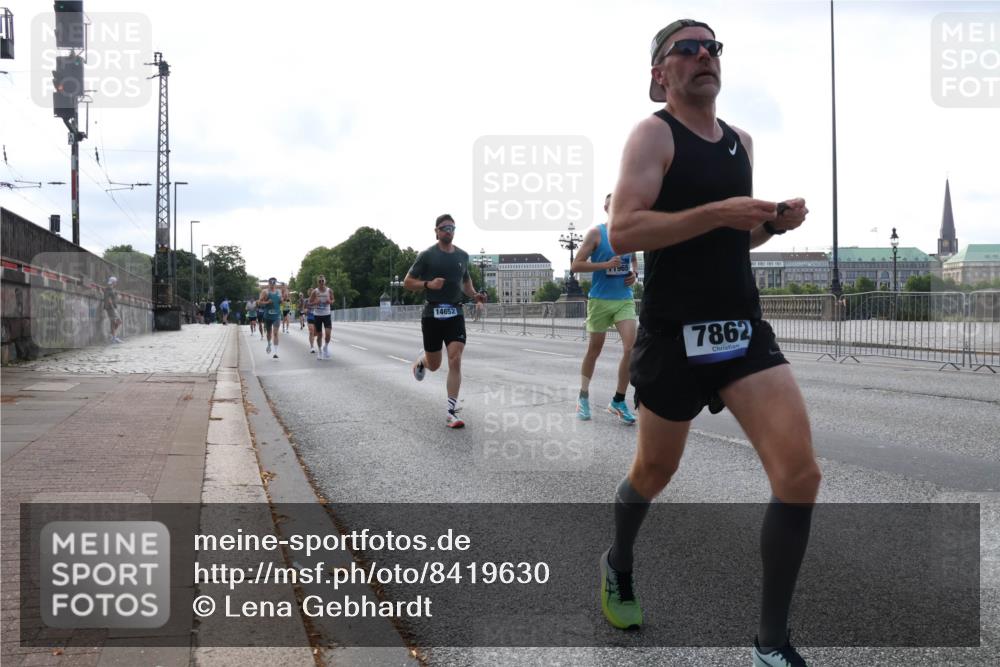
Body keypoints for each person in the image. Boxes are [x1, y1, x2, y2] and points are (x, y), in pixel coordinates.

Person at [598, 19, 820, 667]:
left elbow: (731, 239)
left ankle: (770, 645)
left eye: (712, 47)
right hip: (673, 336)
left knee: (799, 473)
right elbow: (626, 229)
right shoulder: (652, 135)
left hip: (741, 330)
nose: (703, 57)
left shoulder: (742, 143)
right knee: (654, 471)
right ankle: (618, 561)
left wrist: (770, 227)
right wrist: (717, 213)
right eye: (686, 49)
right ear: (659, 73)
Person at [403, 214, 485, 429]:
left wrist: (475, 295)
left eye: (452, 227)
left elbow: (466, 283)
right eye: (444, 227)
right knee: (435, 364)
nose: (449, 230)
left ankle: (451, 411)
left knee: (455, 358)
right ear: (436, 231)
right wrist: (429, 284)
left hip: (455, 314)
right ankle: (422, 361)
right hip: (432, 314)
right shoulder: (427, 255)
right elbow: (408, 282)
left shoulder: (463, 256)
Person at [571, 193, 638, 424]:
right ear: (606, 208)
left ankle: (618, 400)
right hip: (600, 300)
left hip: (624, 299)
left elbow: (634, 260)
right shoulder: (596, 233)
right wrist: (605, 265)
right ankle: (583, 396)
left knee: (631, 347)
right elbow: (576, 264)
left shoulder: (630, 233)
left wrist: (634, 275)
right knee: (594, 351)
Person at [257, 278, 285, 359]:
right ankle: (269, 343)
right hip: (268, 315)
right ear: (269, 283)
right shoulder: (265, 292)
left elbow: (281, 302)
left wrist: (281, 301)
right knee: (269, 333)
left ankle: (275, 352)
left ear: (275, 283)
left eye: (274, 282)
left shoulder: (279, 292)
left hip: (277, 315)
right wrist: (267, 302)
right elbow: (259, 302)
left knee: (275, 333)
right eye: (271, 282)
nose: (272, 283)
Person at [308, 276, 334, 360]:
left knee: (328, 334)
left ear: (325, 281)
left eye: (323, 281)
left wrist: (330, 302)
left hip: (327, 314)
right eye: (320, 281)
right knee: (319, 335)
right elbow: (309, 302)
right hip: (317, 315)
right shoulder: (315, 291)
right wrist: (315, 302)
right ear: (317, 282)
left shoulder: (329, 290)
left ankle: (325, 347)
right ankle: (319, 351)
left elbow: (333, 299)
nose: (321, 282)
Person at [103, 276, 123, 343]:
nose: (116, 283)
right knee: (114, 321)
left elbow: (114, 296)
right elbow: (108, 298)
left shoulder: (112, 289)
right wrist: (110, 304)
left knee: (118, 321)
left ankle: (112, 336)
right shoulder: (108, 289)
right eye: (115, 282)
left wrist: (117, 296)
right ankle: (113, 337)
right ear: (113, 282)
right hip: (110, 308)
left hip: (113, 307)